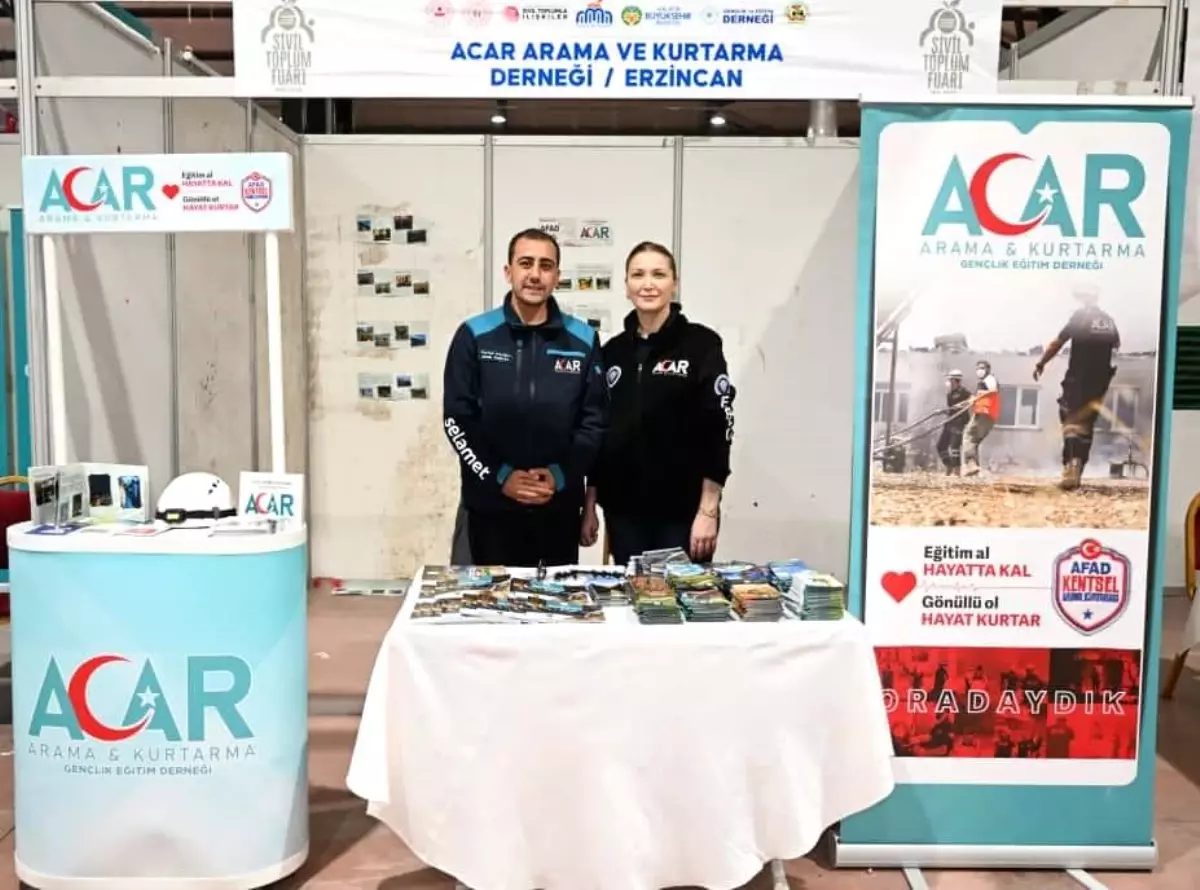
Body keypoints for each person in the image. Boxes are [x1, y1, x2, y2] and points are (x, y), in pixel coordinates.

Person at [442, 227, 607, 566]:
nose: (535, 274)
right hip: (489, 507)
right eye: (526, 263)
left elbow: (595, 423)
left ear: (557, 276)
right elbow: (457, 420)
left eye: (546, 266)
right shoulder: (474, 334)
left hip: (557, 509)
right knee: (488, 599)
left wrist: (559, 475)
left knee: (556, 599)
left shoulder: (583, 340)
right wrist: (500, 476)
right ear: (508, 272)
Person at [582, 242, 735, 567]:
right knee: (632, 595)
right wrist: (590, 503)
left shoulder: (701, 345)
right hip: (624, 513)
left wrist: (708, 510)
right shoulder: (612, 352)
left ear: (674, 283)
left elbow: (719, 428)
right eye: (638, 275)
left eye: (658, 274)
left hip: (683, 514)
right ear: (626, 286)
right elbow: (599, 432)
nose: (648, 284)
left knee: (682, 597)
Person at [1033, 285, 1120, 491]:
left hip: (1078, 378)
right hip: (1100, 381)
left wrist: (1041, 363)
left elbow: (1057, 343)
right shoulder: (1109, 320)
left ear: (1084, 299)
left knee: (1070, 419)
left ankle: (1071, 466)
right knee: (1086, 424)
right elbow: (1116, 345)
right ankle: (1078, 469)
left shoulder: (1080, 317)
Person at [961, 360, 999, 476]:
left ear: (988, 369)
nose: (980, 370)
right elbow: (978, 396)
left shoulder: (990, 379)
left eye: (983, 368)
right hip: (985, 414)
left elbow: (993, 390)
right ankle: (974, 470)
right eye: (978, 368)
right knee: (974, 441)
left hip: (984, 413)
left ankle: (971, 464)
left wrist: (976, 398)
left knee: (968, 436)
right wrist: (966, 402)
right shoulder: (982, 383)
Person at [935, 369, 972, 475]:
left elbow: (972, 400)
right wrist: (942, 412)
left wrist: (963, 404)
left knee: (955, 447)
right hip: (950, 421)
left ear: (956, 381)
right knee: (941, 446)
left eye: (950, 380)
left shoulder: (964, 392)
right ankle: (949, 465)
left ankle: (957, 470)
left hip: (960, 423)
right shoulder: (949, 394)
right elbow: (951, 410)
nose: (948, 382)